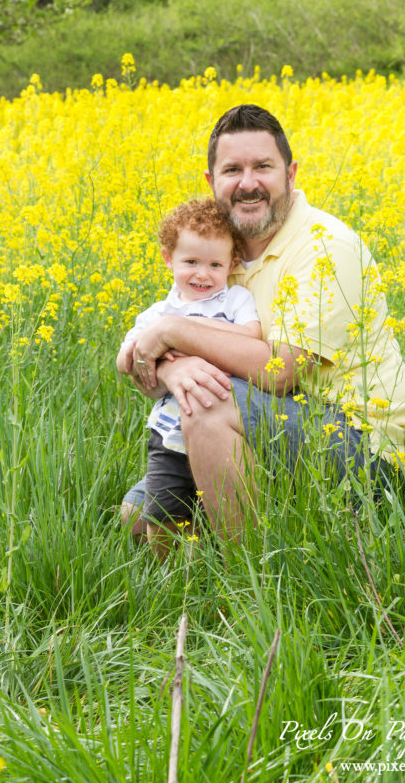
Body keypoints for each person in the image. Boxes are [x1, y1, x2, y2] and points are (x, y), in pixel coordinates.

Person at [120, 104, 405, 542]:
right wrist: (171, 366)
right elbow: (141, 365)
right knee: (136, 517)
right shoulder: (217, 256)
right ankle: (242, 535)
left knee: (208, 404)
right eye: (232, 170)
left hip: (364, 447)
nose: (248, 183)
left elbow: (279, 373)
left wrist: (174, 333)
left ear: (291, 173)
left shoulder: (325, 247)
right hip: (277, 424)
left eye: (263, 166)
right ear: (211, 181)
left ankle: (248, 583)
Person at [116, 198, 260, 553]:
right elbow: (125, 360)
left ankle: (230, 564)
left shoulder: (235, 301)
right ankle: (173, 577)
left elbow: (252, 336)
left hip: (220, 427)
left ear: (232, 264)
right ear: (168, 259)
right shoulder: (159, 312)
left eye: (215, 264)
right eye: (191, 262)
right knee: (162, 514)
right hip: (169, 435)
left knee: (219, 503)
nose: (202, 274)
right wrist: (155, 347)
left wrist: (187, 333)